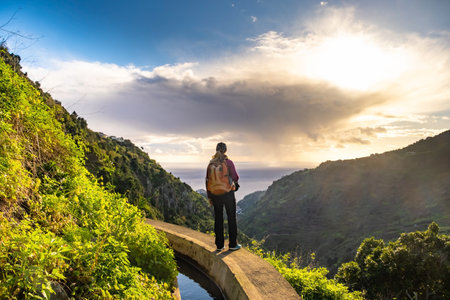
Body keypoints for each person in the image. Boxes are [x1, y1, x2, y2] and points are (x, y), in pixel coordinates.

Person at [206, 142, 241, 251]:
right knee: (231, 218)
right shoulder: (228, 162)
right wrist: (235, 182)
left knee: (218, 219)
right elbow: (236, 177)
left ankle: (219, 245)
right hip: (227, 193)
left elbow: (207, 181)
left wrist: (210, 197)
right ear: (225, 150)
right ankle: (232, 244)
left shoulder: (210, 164)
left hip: (215, 195)